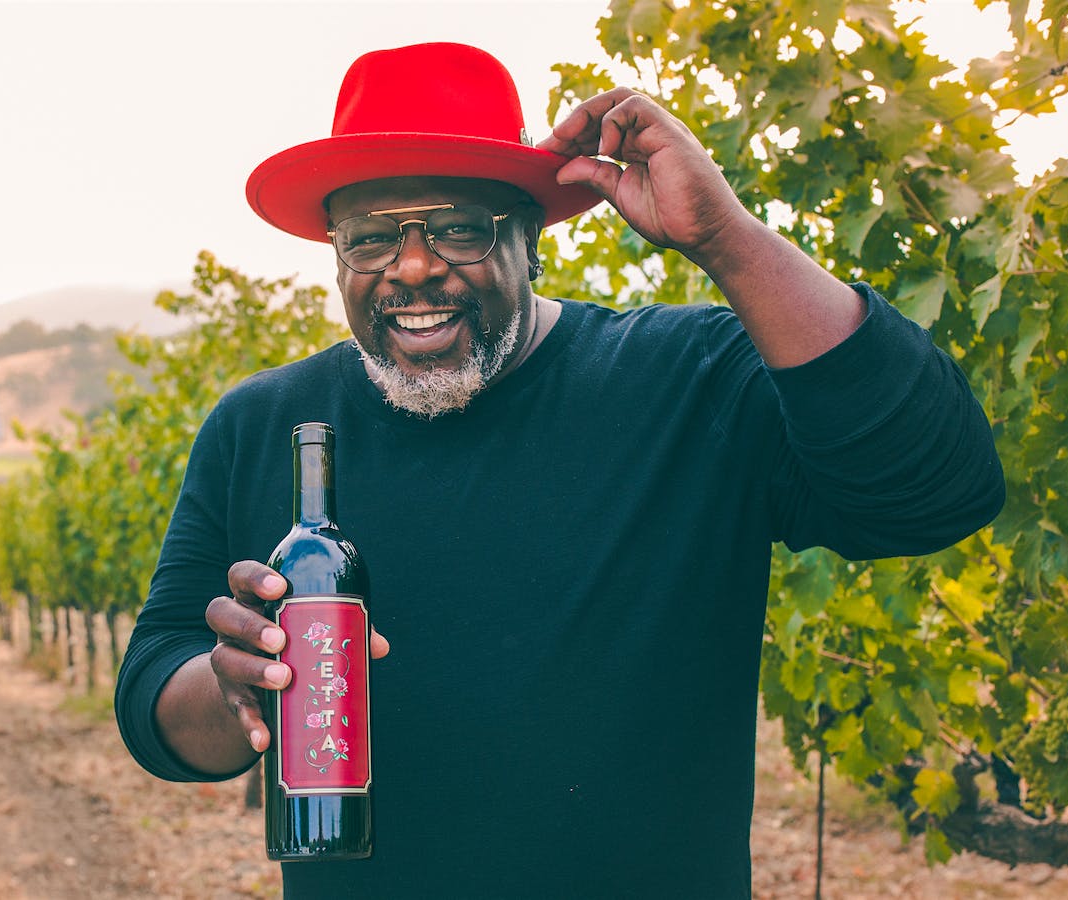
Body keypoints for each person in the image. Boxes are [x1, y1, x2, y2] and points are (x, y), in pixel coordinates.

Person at [116, 42, 1003, 897]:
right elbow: (156, 693)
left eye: (459, 227)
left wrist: (727, 240)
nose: (414, 267)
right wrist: (232, 689)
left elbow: (937, 489)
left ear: (531, 237)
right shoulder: (265, 425)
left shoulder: (693, 380)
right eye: (371, 238)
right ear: (338, 256)